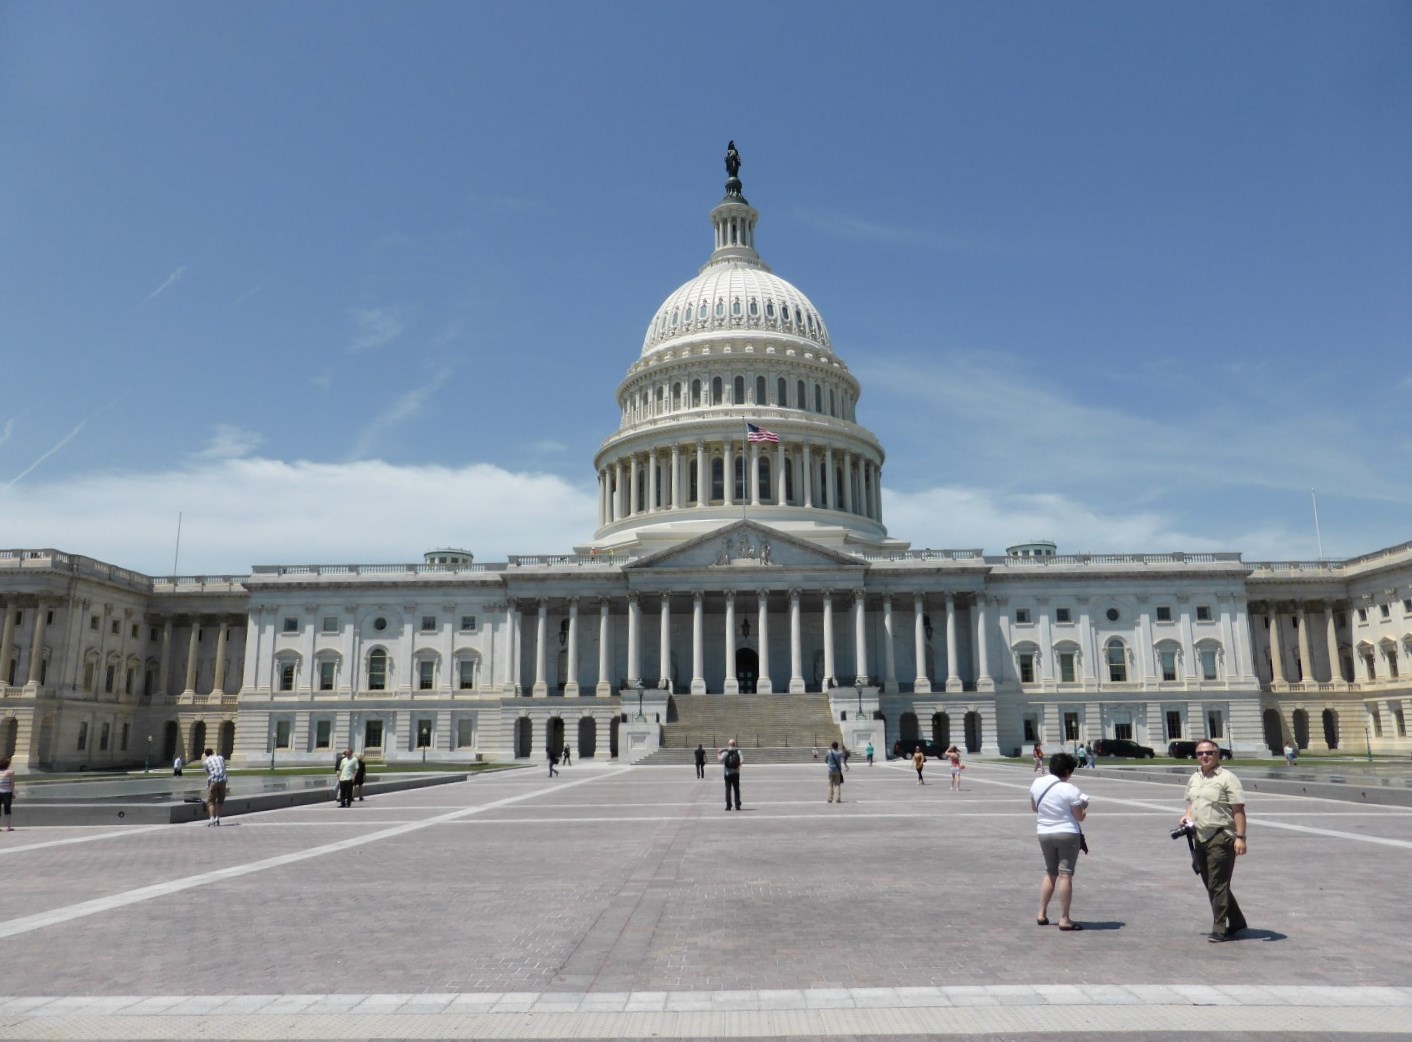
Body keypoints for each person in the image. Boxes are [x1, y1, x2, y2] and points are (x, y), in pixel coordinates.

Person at [1182, 739, 1249, 942]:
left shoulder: (1228, 778)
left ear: (1218, 754)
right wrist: (1187, 816)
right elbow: (1194, 803)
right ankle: (1237, 921)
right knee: (1212, 883)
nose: (1205, 756)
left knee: (1217, 884)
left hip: (1221, 836)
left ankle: (1219, 927)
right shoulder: (1195, 777)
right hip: (1199, 836)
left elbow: (1238, 810)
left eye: (1209, 752)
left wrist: (1240, 837)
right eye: (1200, 753)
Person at [1030, 751, 1089, 931]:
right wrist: (1084, 806)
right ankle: (1064, 919)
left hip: (1044, 832)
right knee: (1065, 874)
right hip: (1067, 833)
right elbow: (1079, 817)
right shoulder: (1070, 789)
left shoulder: (1037, 783)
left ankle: (1041, 913)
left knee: (1050, 872)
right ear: (1067, 771)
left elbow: (1034, 808)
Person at [202, 747, 227, 826]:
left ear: (206, 755)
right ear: (213, 752)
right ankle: (218, 818)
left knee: (211, 801)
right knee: (220, 801)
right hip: (223, 781)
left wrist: (208, 785)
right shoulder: (220, 757)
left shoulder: (206, 762)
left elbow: (208, 773)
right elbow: (223, 767)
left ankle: (212, 819)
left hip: (214, 781)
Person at [718, 738, 742, 811]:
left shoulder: (725, 752)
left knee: (728, 789)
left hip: (727, 773)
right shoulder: (738, 751)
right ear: (735, 744)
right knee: (736, 789)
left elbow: (720, 759)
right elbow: (742, 760)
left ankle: (728, 806)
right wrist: (737, 767)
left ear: (728, 744)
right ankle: (737, 805)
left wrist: (718, 753)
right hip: (736, 773)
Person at [0, 756, 15, 831]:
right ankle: (8, 827)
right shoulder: (10, 772)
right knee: (7, 809)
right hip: (7, 793)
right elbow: (12, 783)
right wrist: (13, 793)